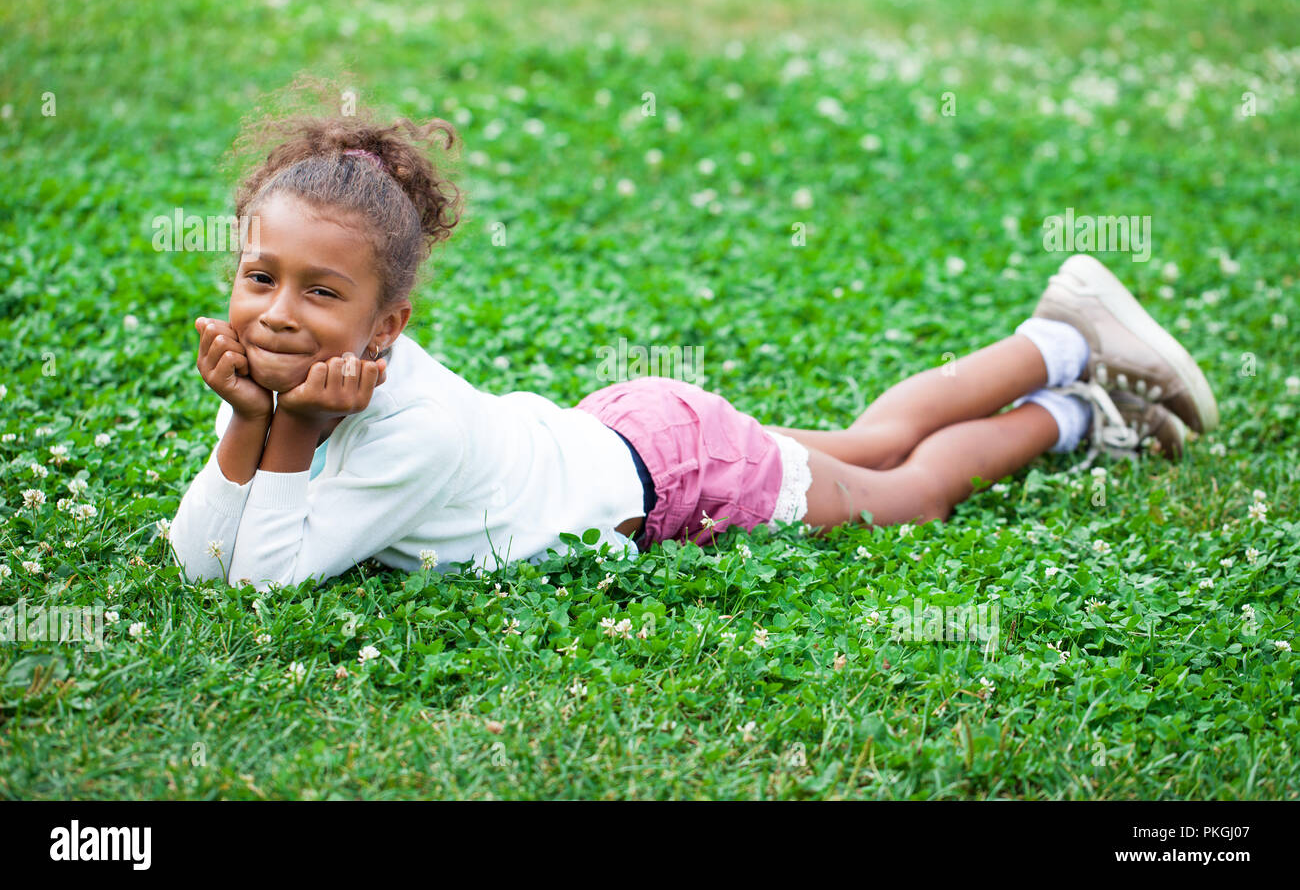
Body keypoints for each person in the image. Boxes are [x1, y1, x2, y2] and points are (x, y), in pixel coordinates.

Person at [167, 100, 1218, 592]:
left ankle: (1069, 392)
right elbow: (200, 555)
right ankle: (1063, 348)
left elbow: (265, 580)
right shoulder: (274, 383)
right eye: (260, 277)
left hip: (677, 475)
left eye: (322, 290)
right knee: (869, 437)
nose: (277, 312)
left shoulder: (412, 427)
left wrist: (286, 430)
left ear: (386, 322)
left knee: (908, 489)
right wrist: (249, 424)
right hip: (621, 432)